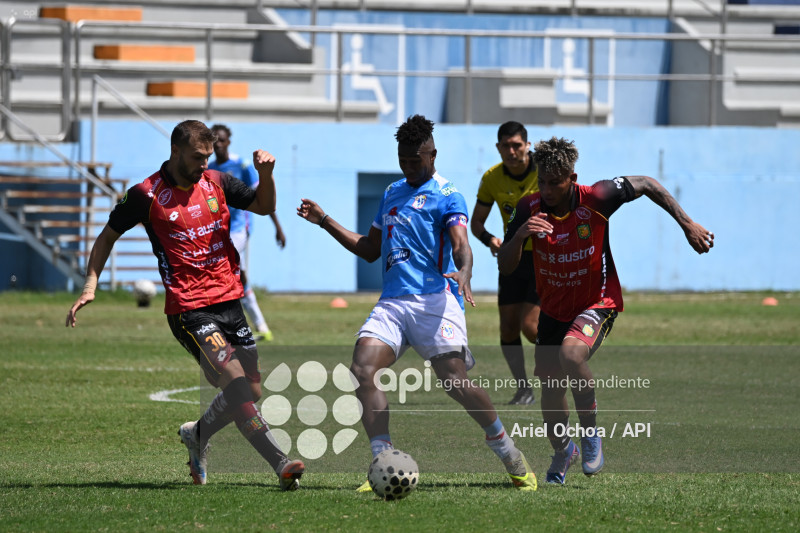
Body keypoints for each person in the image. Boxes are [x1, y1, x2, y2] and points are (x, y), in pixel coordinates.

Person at [297, 114, 537, 492]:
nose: (409, 168)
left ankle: (509, 453)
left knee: (455, 382)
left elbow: (461, 243)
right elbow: (370, 250)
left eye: (416, 160)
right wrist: (324, 220)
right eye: (403, 160)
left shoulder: (447, 194)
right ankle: (382, 460)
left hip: (434, 301)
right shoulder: (392, 193)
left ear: (433, 154)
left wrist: (465, 272)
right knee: (362, 369)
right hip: (393, 304)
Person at [66, 120, 304, 490]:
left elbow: (263, 205)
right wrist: (90, 285)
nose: (203, 164)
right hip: (189, 309)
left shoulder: (218, 183)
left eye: (207, 157)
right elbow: (107, 235)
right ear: (175, 151)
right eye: (197, 157)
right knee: (238, 384)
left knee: (252, 390)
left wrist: (266, 175)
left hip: (229, 299)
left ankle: (198, 434)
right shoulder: (146, 194)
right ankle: (281, 463)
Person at [498, 136, 714, 484]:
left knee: (571, 355)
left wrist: (687, 223)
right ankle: (562, 450)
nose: (547, 190)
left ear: (572, 177)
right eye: (542, 182)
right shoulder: (528, 209)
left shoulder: (598, 198)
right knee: (551, 391)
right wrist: (521, 234)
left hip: (596, 302)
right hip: (552, 311)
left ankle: (590, 434)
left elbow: (646, 184)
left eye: (555, 182)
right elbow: (505, 266)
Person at [471, 121, 540, 405]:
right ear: (498, 148)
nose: (511, 151)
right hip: (512, 258)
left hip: (544, 259)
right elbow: (476, 223)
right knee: (508, 328)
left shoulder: (544, 172)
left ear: (528, 145)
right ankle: (524, 389)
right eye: (506, 146)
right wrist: (490, 239)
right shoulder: (491, 179)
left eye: (517, 145)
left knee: (530, 326)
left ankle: (564, 361)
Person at [210, 123, 285, 342]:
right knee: (239, 276)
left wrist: (277, 227)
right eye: (214, 140)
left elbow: (261, 197)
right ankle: (262, 327)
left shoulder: (241, 165)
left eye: (222, 140)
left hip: (239, 228)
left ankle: (225, 324)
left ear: (229, 141)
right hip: (219, 230)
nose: (218, 144)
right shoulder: (210, 168)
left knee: (223, 267)